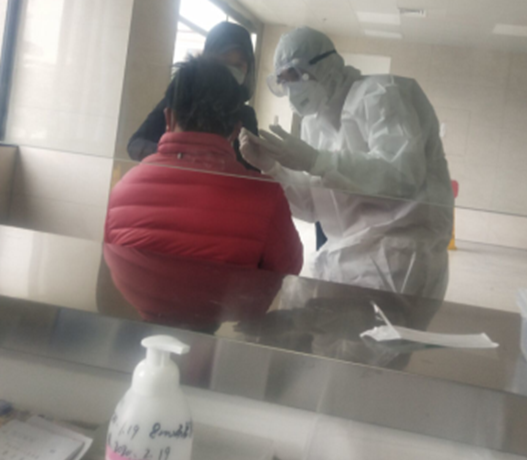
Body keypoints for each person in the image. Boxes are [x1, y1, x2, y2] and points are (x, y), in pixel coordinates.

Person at [240, 27, 453, 298]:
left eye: (294, 76)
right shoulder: (313, 124)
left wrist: (317, 160)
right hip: (342, 261)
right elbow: (311, 208)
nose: (290, 90)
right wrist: (273, 168)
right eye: (282, 82)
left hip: (398, 263)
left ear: (324, 66)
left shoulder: (381, 94)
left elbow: (403, 174)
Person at [105, 55, 303, 275]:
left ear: (169, 119)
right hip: (230, 299)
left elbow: (115, 264)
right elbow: (288, 271)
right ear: (236, 131)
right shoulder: (267, 200)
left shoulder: (122, 191)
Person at [127, 22, 258, 171]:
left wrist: (274, 168)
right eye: (224, 62)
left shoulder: (246, 115)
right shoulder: (183, 99)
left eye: (239, 65)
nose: (230, 72)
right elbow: (135, 145)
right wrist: (178, 157)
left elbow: (252, 171)